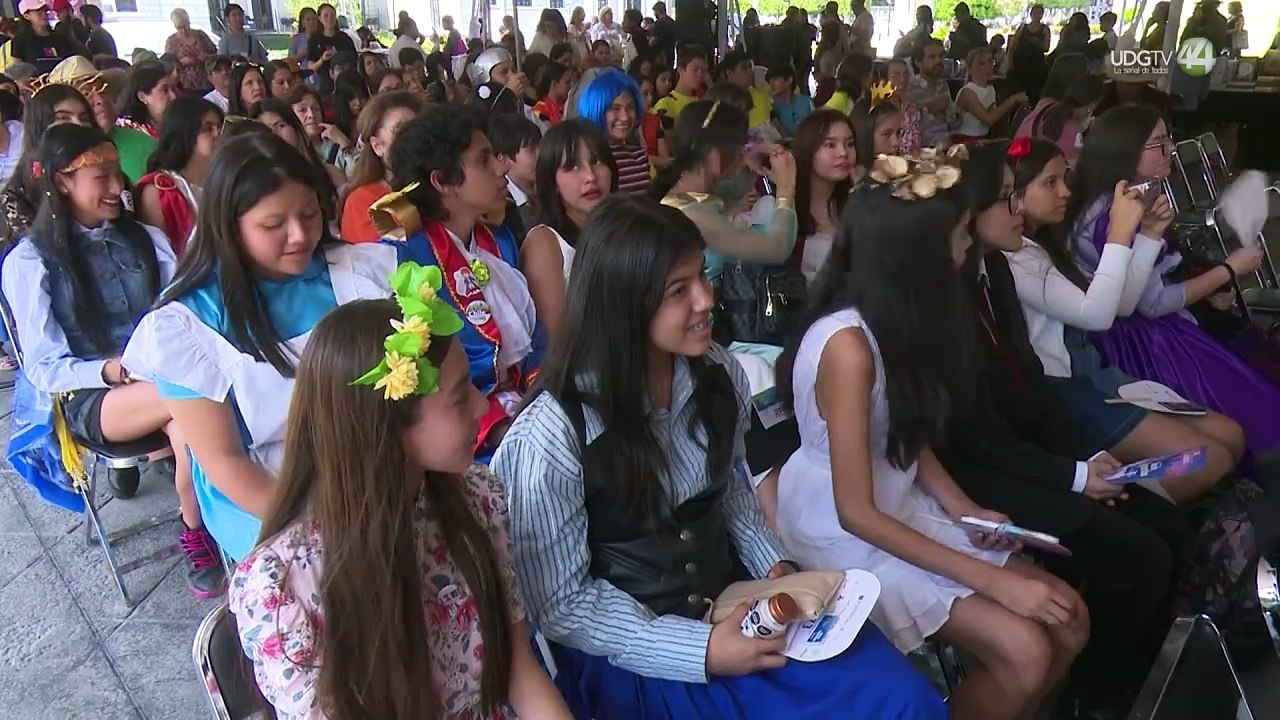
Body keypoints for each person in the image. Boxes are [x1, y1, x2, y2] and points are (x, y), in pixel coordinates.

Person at [493, 193, 949, 720]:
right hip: (638, 654)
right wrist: (701, 650)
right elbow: (562, 606)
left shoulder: (716, 373)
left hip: (739, 607)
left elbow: (731, 496)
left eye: (702, 278)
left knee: (903, 700)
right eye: (679, 291)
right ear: (624, 303)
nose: (706, 300)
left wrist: (776, 569)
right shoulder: (551, 435)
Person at [775, 154, 1090, 720]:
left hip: (895, 504)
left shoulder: (899, 317)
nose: (968, 246)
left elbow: (903, 434)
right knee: (1026, 652)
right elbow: (856, 513)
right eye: (961, 233)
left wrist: (965, 510)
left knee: (1068, 619)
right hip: (845, 529)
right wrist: (993, 583)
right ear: (918, 253)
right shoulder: (847, 347)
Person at [230, 291, 571, 718]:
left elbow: (518, 669)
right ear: (386, 426)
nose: (483, 406)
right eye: (459, 397)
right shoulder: (283, 589)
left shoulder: (475, 501)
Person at [944, 140, 1194, 715]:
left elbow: (1030, 387)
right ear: (968, 215)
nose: (1019, 210)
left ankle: (1133, 679)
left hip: (1029, 451)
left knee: (1168, 528)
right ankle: (1093, 695)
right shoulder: (947, 302)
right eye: (1007, 198)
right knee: (1138, 555)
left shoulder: (994, 271)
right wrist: (1075, 476)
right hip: (983, 476)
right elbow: (977, 440)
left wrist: (1088, 459)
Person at [120, 133, 397, 563]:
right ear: (229, 226)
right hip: (271, 490)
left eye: (309, 214)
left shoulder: (360, 272)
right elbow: (225, 462)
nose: (299, 235)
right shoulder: (188, 327)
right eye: (273, 225)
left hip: (373, 458)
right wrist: (328, 525)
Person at [3, 123, 225, 597]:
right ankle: (223, 519)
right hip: (93, 396)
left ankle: (198, 528)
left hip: (163, 379)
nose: (115, 186)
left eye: (115, 172)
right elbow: (42, 367)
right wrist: (109, 370)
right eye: (99, 177)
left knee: (188, 422)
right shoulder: (31, 260)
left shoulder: (145, 238)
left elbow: (180, 308)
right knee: (197, 396)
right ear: (62, 182)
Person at [1007, 136, 1244, 503]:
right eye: (1050, 183)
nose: (1065, 191)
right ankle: (1131, 504)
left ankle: (1170, 506)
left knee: (1229, 434)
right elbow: (1098, 315)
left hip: (1095, 372)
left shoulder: (1042, 244)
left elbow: (1120, 305)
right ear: (1015, 196)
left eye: (1064, 178)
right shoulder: (1017, 257)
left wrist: (1147, 235)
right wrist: (1120, 233)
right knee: (1205, 460)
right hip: (1065, 388)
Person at [1065, 105, 1280, 456]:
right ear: (1127, 149)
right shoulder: (1118, 213)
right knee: (1254, 410)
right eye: (1158, 142)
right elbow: (1150, 304)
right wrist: (1228, 270)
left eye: (1168, 139)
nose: (1170, 150)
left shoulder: (1115, 198)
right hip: (1144, 341)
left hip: (1138, 330)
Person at [383, 108, 546, 462]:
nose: (502, 168)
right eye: (484, 159)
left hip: (527, 410)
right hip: (471, 441)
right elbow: (425, 386)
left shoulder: (498, 240)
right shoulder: (408, 262)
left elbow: (537, 345)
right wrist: (501, 426)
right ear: (442, 181)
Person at [653, 100, 797, 279]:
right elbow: (778, 248)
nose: (742, 154)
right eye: (739, 149)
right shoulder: (694, 216)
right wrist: (786, 187)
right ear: (715, 153)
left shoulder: (687, 194)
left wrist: (748, 155)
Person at [522, 119, 615, 339]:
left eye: (597, 161)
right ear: (552, 180)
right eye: (572, 167)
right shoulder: (545, 243)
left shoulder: (623, 229)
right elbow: (556, 342)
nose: (590, 177)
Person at [1, 83, 93, 249]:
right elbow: (42, 250)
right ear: (40, 126)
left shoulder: (107, 171)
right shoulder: (18, 194)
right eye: (63, 118)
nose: (77, 125)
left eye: (84, 118)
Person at [136, 96, 223, 256]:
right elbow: (160, 256)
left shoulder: (224, 177)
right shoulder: (158, 190)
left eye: (219, 127)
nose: (218, 134)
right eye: (208, 128)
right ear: (184, 133)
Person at [340, 91, 424, 243]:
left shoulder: (440, 184)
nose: (414, 138)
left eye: (417, 128)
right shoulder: (362, 202)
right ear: (377, 146)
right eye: (400, 130)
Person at [792, 109, 855, 283]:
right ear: (808, 150)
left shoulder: (860, 202)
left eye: (850, 144)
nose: (843, 153)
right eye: (830, 145)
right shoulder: (784, 207)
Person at [255, 98, 343, 217]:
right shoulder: (253, 188)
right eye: (265, 130)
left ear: (296, 130)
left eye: (280, 126)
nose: (274, 134)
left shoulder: (330, 174)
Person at [577, 68, 652, 193]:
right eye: (615, 108)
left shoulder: (639, 156)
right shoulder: (588, 160)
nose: (625, 117)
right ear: (596, 109)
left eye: (630, 108)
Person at [1015, 73, 1102, 166]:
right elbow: (1076, 168)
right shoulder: (1072, 132)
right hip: (1029, 171)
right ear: (1092, 105)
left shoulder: (1045, 103)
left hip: (1014, 161)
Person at [954, 48, 1027, 143]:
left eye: (990, 62)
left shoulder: (991, 89)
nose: (988, 67)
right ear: (970, 68)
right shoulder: (967, 92)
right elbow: (988, 119)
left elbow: (995, 115)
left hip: (983, 138)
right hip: (965, 140)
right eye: (982, 63)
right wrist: (1012, 100)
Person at [489, 113, 540, 241]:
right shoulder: (499, 209)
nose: (540, 155)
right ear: (504, 159)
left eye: (540, 145)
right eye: (531, 149)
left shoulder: (548, 190)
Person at [289, 84, 356, 176]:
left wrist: (345, 144)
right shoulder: (289, 152)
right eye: (302, 110)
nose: (311, 115)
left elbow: (359, 177)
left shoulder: (336, 147)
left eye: (316, 109)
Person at [12, 0, 86, 73]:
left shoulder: (60, 38)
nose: (44, 14)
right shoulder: (20, 41)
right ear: (26, 16)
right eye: (38, 11)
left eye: (45, 11)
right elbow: (18, 71)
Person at [907, 39, 953, 148]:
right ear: (918, 62)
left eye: (941, 56)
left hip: (946, 147)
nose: (938, 60)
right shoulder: (910, 87)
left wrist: (950, 107)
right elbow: (907, 126)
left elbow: (955, 123)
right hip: (921, 151)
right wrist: (926, 109)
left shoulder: (943, 85)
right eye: (932, 57)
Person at [117, 60, 179, 139]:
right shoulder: (128, 132)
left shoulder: (176, 125)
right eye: (165, 90)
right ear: (142, 97)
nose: (173, 96)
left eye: (173, 88)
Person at [653, 46, 707, 127]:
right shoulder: (666, 104)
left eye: (703, 70)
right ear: (680, 70)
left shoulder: (703, 102)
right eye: (695, 70)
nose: (700, 74)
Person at [309, 3, 358, 89]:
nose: (329, 19)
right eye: (326, 16)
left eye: (332, 15)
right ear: (320, 18)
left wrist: (340, 56)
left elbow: (354, 60)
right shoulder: (314, 40)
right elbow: (311, 68)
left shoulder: (344, 38)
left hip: (345, 79)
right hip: (324, 81)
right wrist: (322, 59)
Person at [883, 58, 921, 154]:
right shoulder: (877, 109)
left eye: (905, 74)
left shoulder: (911, 108)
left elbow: (916, 143)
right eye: (896, 75)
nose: (902, 80)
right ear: (884, 80)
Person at [768, 64, 813, 138]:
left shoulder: (806, 101)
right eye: (769, 81)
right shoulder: (773, 107)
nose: (771, 84)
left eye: (775, 79)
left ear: (789, 81)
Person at [532, 61, 572, 127]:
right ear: (554, 84)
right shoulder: (539, 110)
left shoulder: (569, 103)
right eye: (567, 82)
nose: (570, 86)